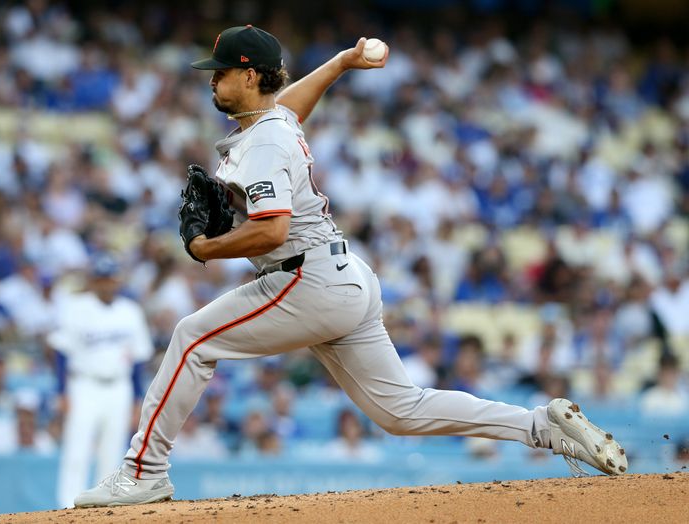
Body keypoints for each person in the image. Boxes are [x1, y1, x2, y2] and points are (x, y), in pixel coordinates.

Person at [75, 25, 627, 508]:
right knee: (401, 410)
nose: (211, 80)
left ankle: (143, 472)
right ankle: (542, 427)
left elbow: (270, 230)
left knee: (192, 338)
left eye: (220, 72)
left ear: (248, 76)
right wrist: (339, 64)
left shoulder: (265, 142)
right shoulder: (275, 122)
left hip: (305, 277)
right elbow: (293, 104)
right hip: (345, 277)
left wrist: (202, 250)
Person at [48, 253, 154, 508]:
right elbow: (62, 352)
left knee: (112, 449)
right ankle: (68, 505)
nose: (107, 284)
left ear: (117, 281)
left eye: (111, 279)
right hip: (84, 384)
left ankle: (104, 508)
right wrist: (61, 392)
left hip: (120, 386)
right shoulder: (76, 307)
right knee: (78, 447)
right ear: (94, 281)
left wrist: (137, 398)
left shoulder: (130, 311)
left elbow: (139, 359)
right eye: (102, 279)